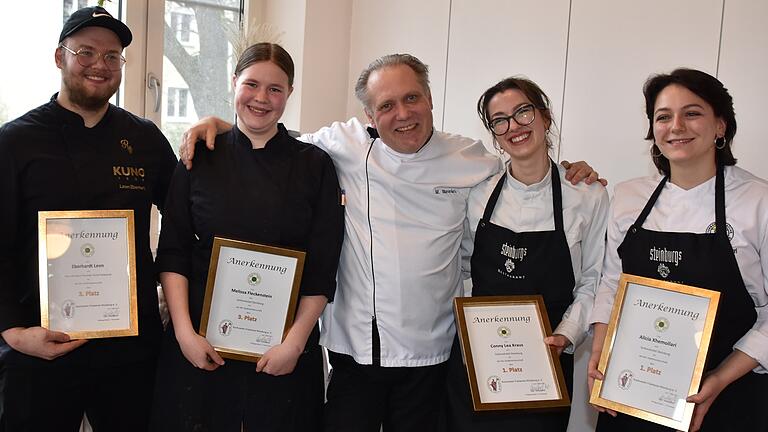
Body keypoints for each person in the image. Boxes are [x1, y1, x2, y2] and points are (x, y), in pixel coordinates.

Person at [179, 53, 600, 431]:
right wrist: (220, 124)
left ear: (430, 98)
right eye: (386, 105)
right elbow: (270, 137)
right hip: (354, 354)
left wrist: (569, 170)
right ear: (368, 113)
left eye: (412, 98)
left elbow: (524, 170)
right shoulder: (342, 146)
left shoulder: (472, 160)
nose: (403, 114)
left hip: (433, 355)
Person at [148, 42, 344, 432]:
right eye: (252, 84)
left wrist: (294, 343)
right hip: (199, 343)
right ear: (234, 82)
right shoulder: (198, 156)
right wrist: (185, 334)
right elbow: (173, 251)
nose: (261, 98)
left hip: (284, 348)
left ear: (290, 93)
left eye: (275, 89)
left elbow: (322, 266)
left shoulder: (315, 165)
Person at [0, 7, 177, 431]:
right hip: (40, 345)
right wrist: (12, 332)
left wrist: (174, 295)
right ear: (60, 58)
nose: (100, 64)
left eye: (112, 56)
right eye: (86, 52)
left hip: (130, 351)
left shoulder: (145, 139)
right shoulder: (15, 141)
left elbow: (188, 216)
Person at [588, 68, 768, 432]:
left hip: (728, 395)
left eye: (692, 113)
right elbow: (611, 283)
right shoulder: (628, 196)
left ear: (721, 125)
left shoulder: (757, 200)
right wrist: (599, 353)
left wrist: (719, 378)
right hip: (633, 393)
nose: (676, 126)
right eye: (663, 116)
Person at [441, 77, 609, 430]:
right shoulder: (479, 195)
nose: (513, 126)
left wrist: (567, 333)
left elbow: (595, 277)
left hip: (545, 361)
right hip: (479, 362)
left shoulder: (587, 196)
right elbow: (464, 268)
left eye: (522, 112)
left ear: (545, 117)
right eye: (499, 120)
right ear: (494, 135)